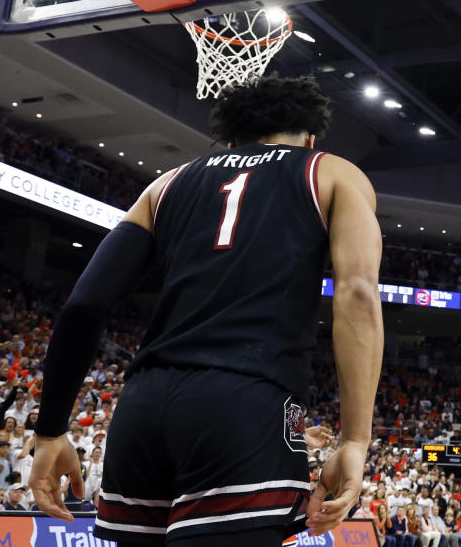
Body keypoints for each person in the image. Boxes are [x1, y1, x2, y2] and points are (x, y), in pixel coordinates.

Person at [28, 75, 385, 546]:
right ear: (310, 137)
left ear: (229, 138)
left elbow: (84, 304)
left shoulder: (165, 184)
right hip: (244, 405)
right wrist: (354, 440)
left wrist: (51, 429)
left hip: (141, 409)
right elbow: (357, 292)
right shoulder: (331, 172)